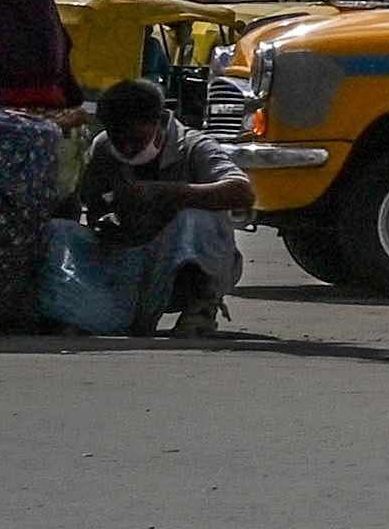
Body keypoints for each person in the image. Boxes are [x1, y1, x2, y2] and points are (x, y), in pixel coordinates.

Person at [57, 78, 253, 338]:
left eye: (135, 139)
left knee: (196, 218)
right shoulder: (103, 147)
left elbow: (241, 191)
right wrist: (110, 219)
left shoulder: (195, 146)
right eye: (119, 140)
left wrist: (166, 193)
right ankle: (78, 310)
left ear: (159, 120)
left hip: (181, 265)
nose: (126, 148)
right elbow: (94, 206)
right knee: (59, 232)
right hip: (126, 258)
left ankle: (201, 308)